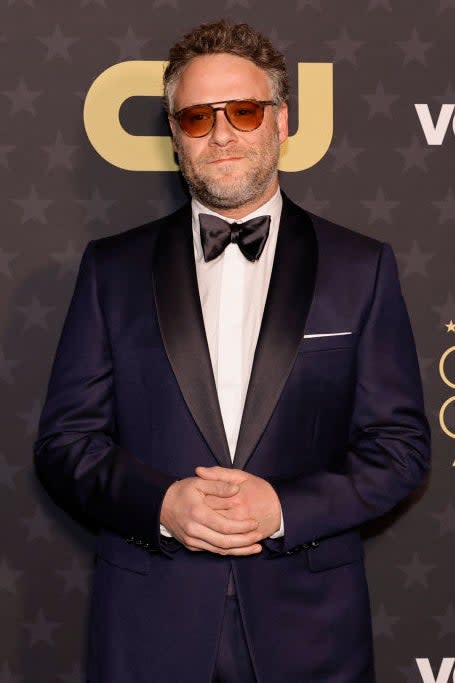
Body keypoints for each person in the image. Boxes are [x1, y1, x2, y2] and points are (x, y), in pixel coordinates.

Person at [34, 19, 431, 683]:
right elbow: (65, 444)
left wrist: (282, 508)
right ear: (173, 137)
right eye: (195, 118)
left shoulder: (359, 267)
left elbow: (399, 448)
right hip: (148, 627)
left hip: (310, 630)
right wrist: (162, 503)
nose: (220, 134)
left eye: (242, 111)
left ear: (280, 123)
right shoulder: (111, 269)